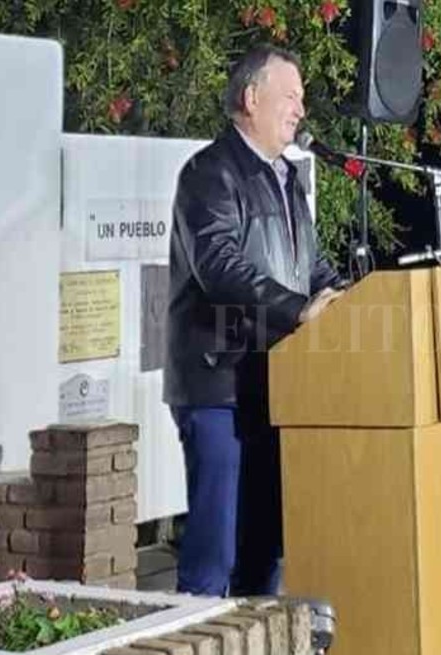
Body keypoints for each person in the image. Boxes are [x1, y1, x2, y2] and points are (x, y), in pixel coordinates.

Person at [163, 44, 346, 597]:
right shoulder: (209, 173)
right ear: (251, 98)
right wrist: (298, 311)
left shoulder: (289, 178)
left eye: (302, 99)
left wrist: (344, 298)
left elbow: (309, 265)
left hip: (276, 383)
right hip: (219, 382)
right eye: (290, 95)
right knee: (215, 548)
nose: (300, 109)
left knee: (264, 544)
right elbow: (219, 265)